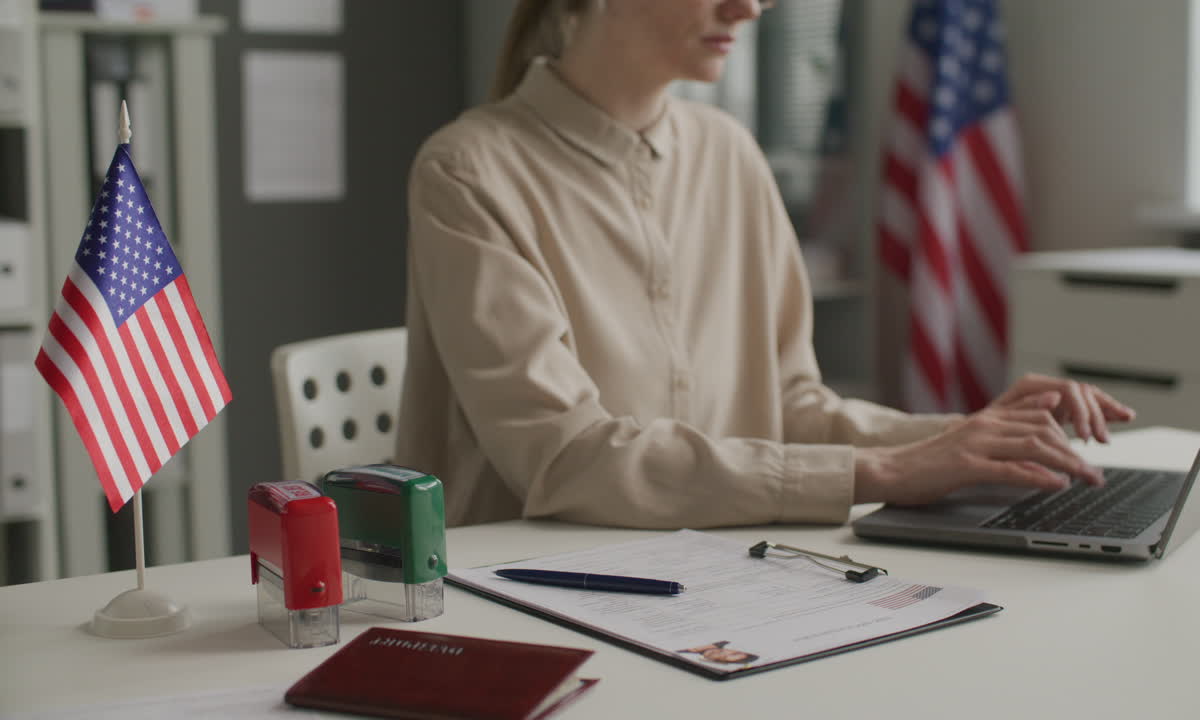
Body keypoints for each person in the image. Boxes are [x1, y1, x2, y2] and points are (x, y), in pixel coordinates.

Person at [394, 0, 1135, 529]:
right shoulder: (468, 172)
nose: (752, 7)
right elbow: (564, 458)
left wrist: (966, 440)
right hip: (526, 603)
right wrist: (879, 474)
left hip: (715, 583)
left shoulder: (730, 155)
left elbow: (789, 408)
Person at [677, 641, 759, 665]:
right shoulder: (723, 641)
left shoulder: (680, 654)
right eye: (734, 654)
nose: (722, 654)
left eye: (723, 658)